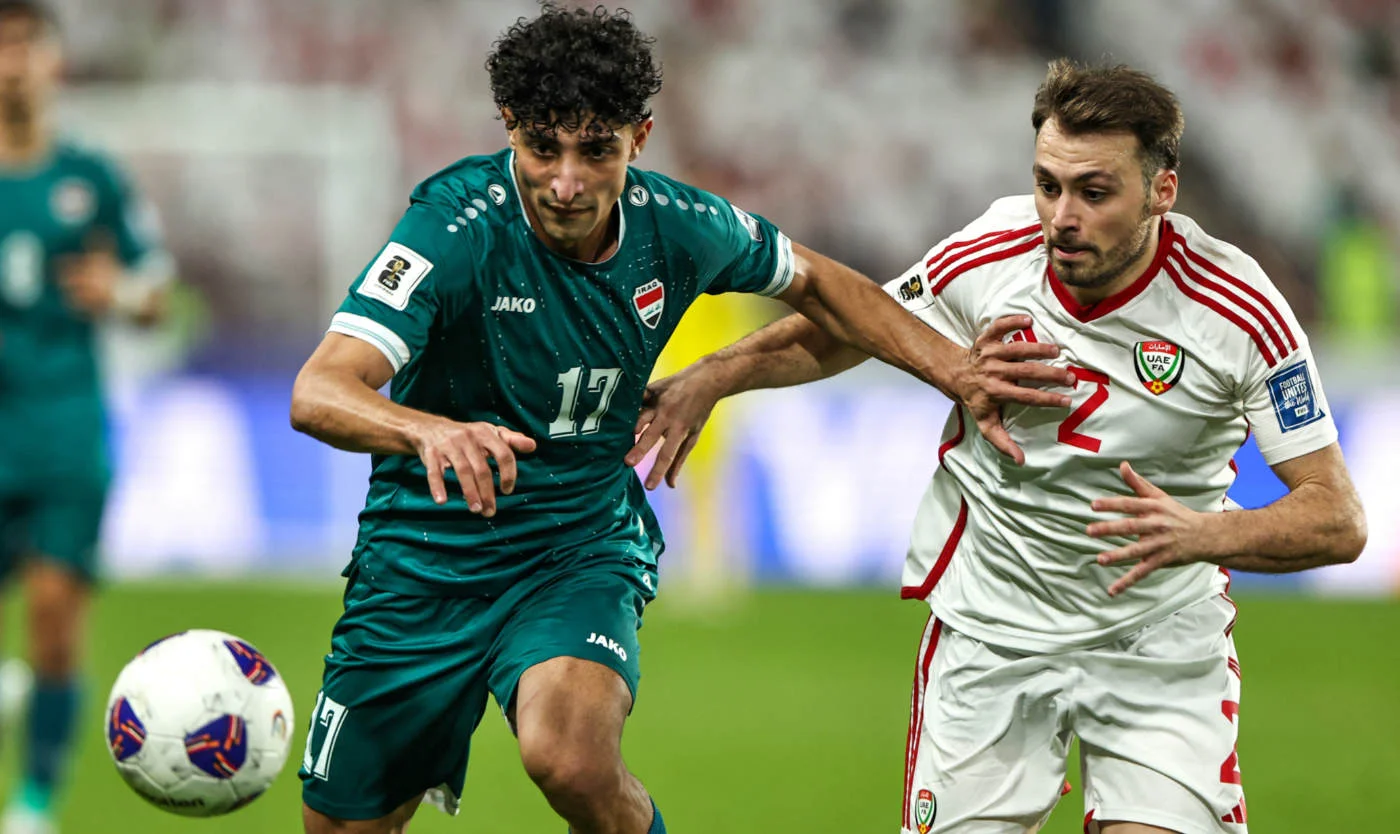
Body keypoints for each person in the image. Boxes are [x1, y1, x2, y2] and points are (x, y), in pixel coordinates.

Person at [287, 5, 1070, 833]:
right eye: (542, 147)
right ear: (509, 127)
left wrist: (956, 372)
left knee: (571, 756)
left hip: (573, 546)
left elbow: (822, 284)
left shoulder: (677, 226)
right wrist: (427, 429)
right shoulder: (453, 226)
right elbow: (320, 390)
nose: (566, 182)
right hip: (423, 562)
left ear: (641, 137)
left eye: (597, 150)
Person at [630, 59, 1367, 834]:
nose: (1061, 216)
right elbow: (860, 325)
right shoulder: (994, 249)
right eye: (1049, 184)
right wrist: (715, 375)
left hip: (1157, 644)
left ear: (1162, 192)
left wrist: (1203, 534)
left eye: (1094, 191)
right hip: (991, 632)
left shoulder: (1238, 308)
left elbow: (1338, 517)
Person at [0, 2, 172, 832]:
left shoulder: (93, 178)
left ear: (53, 63)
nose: (13, 62)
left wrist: (122, 294)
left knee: (53, 623)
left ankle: (33, 802)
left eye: (27, 45)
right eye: (1, 47)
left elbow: (155, 293)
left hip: (65, 429)